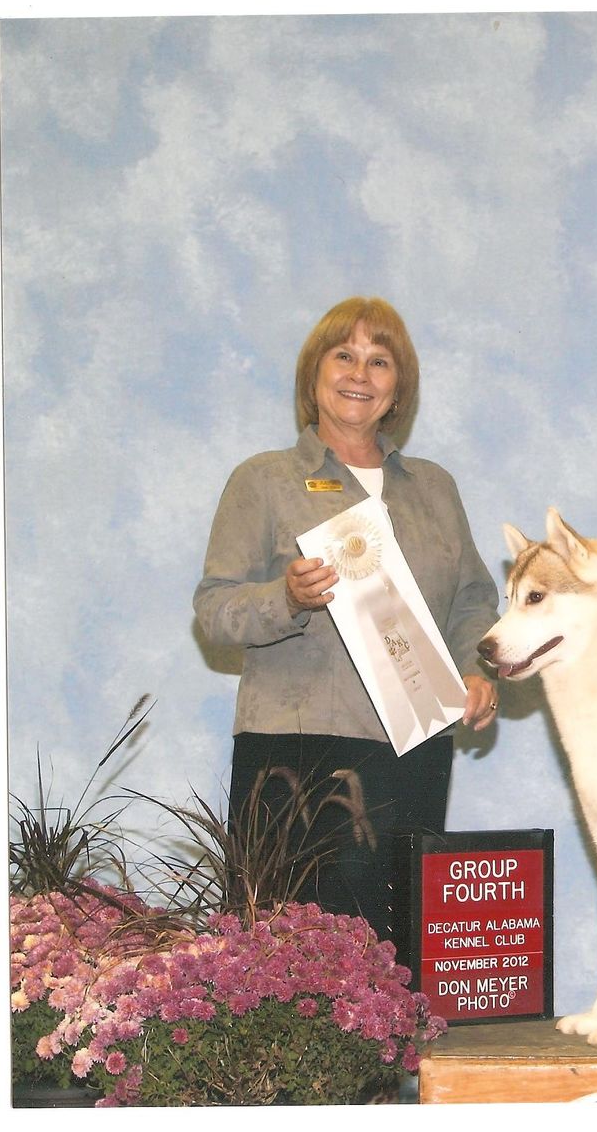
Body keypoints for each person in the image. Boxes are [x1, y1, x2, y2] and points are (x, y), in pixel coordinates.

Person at [194, 296, 500, 940]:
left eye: (379, 361)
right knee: (285, 958)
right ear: (313, 375)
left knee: (397, 949)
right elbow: (215, 611)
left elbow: (473, 600)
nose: (360, 373)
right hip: (296, 753)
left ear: (398, 389)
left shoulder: (435, 488)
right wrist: (286, 598)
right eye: (344, 356)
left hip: (415, 746)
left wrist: (473, 671)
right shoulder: (264, 480)